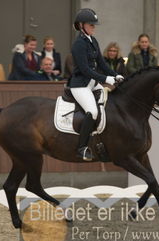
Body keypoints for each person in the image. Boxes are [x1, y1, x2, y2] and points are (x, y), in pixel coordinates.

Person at [69, 8, 124, 161]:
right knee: (92, 112)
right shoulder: (78, 44)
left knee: (108, 107)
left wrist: (115, 75)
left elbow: (102, 63)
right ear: (81, 25)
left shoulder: (93, 41)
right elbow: (85, 70)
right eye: (91, 24)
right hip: (80, 85)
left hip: (92, 83)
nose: (94, 27)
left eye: (94, 25)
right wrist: (106, 79)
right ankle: (81, 148)